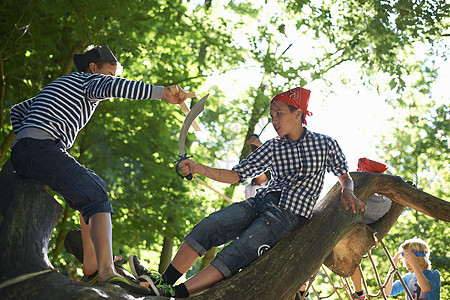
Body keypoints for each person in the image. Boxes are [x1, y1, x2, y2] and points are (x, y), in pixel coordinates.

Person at [128, 86, 367, 297]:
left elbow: (344, 177)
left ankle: (177, 293)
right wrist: (198, 167)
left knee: (240, 250)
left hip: (286, 214)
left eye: (279, 114)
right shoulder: (273, 146)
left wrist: (347, 190)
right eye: (272, 115)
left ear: (298, 114)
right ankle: (164, 281)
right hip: (260, 202)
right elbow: (236, 175)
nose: (274, 120)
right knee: (210, 225)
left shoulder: (325, 144)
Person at [9, 44, 187, 294]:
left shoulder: (61, 84)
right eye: (109, 74)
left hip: (23, 151)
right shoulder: (88, 82)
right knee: (96, 192)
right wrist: (163, 93)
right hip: (42, 148)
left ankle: (92, 261)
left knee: (89, 186)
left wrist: (25, 141)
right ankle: (106, 271)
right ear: (93, 68)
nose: (111, 81)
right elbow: (117, 87)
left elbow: (17, 111)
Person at [350, 157, 392, 300]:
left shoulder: (358, 195)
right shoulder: (387, 203)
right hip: (365, 237)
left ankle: (301, 290)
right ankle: (359, 293)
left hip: (350, 233)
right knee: (354, 262)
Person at [244, 134, 269, 199]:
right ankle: (256, 144)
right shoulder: (248, 188)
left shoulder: (249, 188)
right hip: (267, 180)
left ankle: (256, 144)